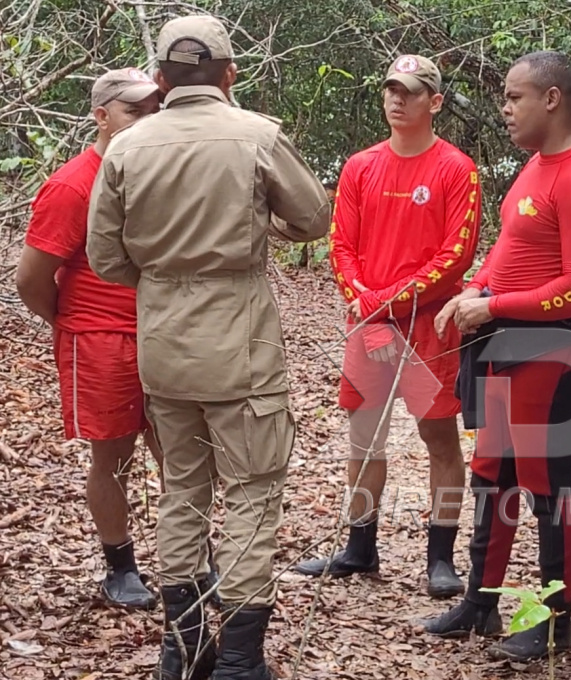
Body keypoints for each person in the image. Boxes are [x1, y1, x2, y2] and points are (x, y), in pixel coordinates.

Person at [86, 14, 331, 680]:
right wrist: (258, 227)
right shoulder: (255, 136)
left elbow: (105, 258)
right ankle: (242, 659)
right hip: (241, 343)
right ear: (229, 74)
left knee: (183, 492)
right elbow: (313, 218)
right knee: (252, 491)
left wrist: (166, 279)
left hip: (163, 342)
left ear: (161, 80)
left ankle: (184, 649)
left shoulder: (126, 147)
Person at [422, 50, 571, 662]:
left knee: (547, 485)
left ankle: (554, 620)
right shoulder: (536, 164)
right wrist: (478, 289)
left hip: (554, 346)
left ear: (553, 99)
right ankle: (481, 603)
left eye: (515, 97)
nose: (504, 108)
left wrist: (496, 303)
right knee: (494, 473)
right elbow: (509, 246)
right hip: (505, 341)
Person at [293, 54, 482, 602]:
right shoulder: (359, 166)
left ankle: (440, 558)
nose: (398, 100)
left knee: (439, 437)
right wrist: (366, 303)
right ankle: (359, 546)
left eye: (412, 91)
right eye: (391, 90)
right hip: (369, 324)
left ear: (435, 102)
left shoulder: (456, 168)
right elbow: (341, 246)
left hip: (429, 326)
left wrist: (390, 302)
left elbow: (457, 253)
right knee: (363, 437)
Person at [15, 68, 162, 610]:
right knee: (114, 457)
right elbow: (31, 278)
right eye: (134, 111)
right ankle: (119, 565)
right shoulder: (74, 183)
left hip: (165, 332)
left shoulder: (157, 172)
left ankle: (191, 560)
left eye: (154, 110)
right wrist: (72, 322)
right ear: (102, 116)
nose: (148, 121)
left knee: (179, 452)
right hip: (101, 337)